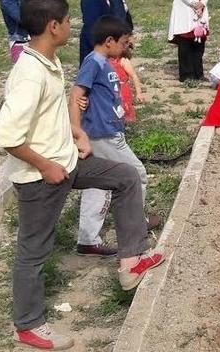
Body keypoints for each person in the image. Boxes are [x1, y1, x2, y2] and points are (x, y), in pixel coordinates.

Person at [0, 0, 163, 350]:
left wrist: (78, 133)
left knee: (126, 177)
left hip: (68, 159)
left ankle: (130, 260)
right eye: (68, 21)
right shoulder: (29, 73)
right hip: (43, 175)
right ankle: (28, 324)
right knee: (33, 249)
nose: (72, 26)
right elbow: (7, 136)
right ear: (53, 26)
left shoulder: (48, 62)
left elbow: (52, 114)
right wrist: (45, 165)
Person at [70, 15, 161, 257]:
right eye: (123, 42)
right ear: (109, 41)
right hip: (102, 134)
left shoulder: (104, 62)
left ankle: (88, 239)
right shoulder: (94, 62)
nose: (125, 47)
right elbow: (77, 93)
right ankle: (135, 224)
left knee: (98, 185)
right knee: (136, 174)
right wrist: (78, 131)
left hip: (109, 131)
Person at [111, 38, 144, 124]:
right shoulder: (107, 60)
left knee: (124, 107)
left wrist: (139, 92)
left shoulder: (123, 60)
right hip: (111, 88)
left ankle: (125, 125)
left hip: (122, 90)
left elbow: (134, 76)